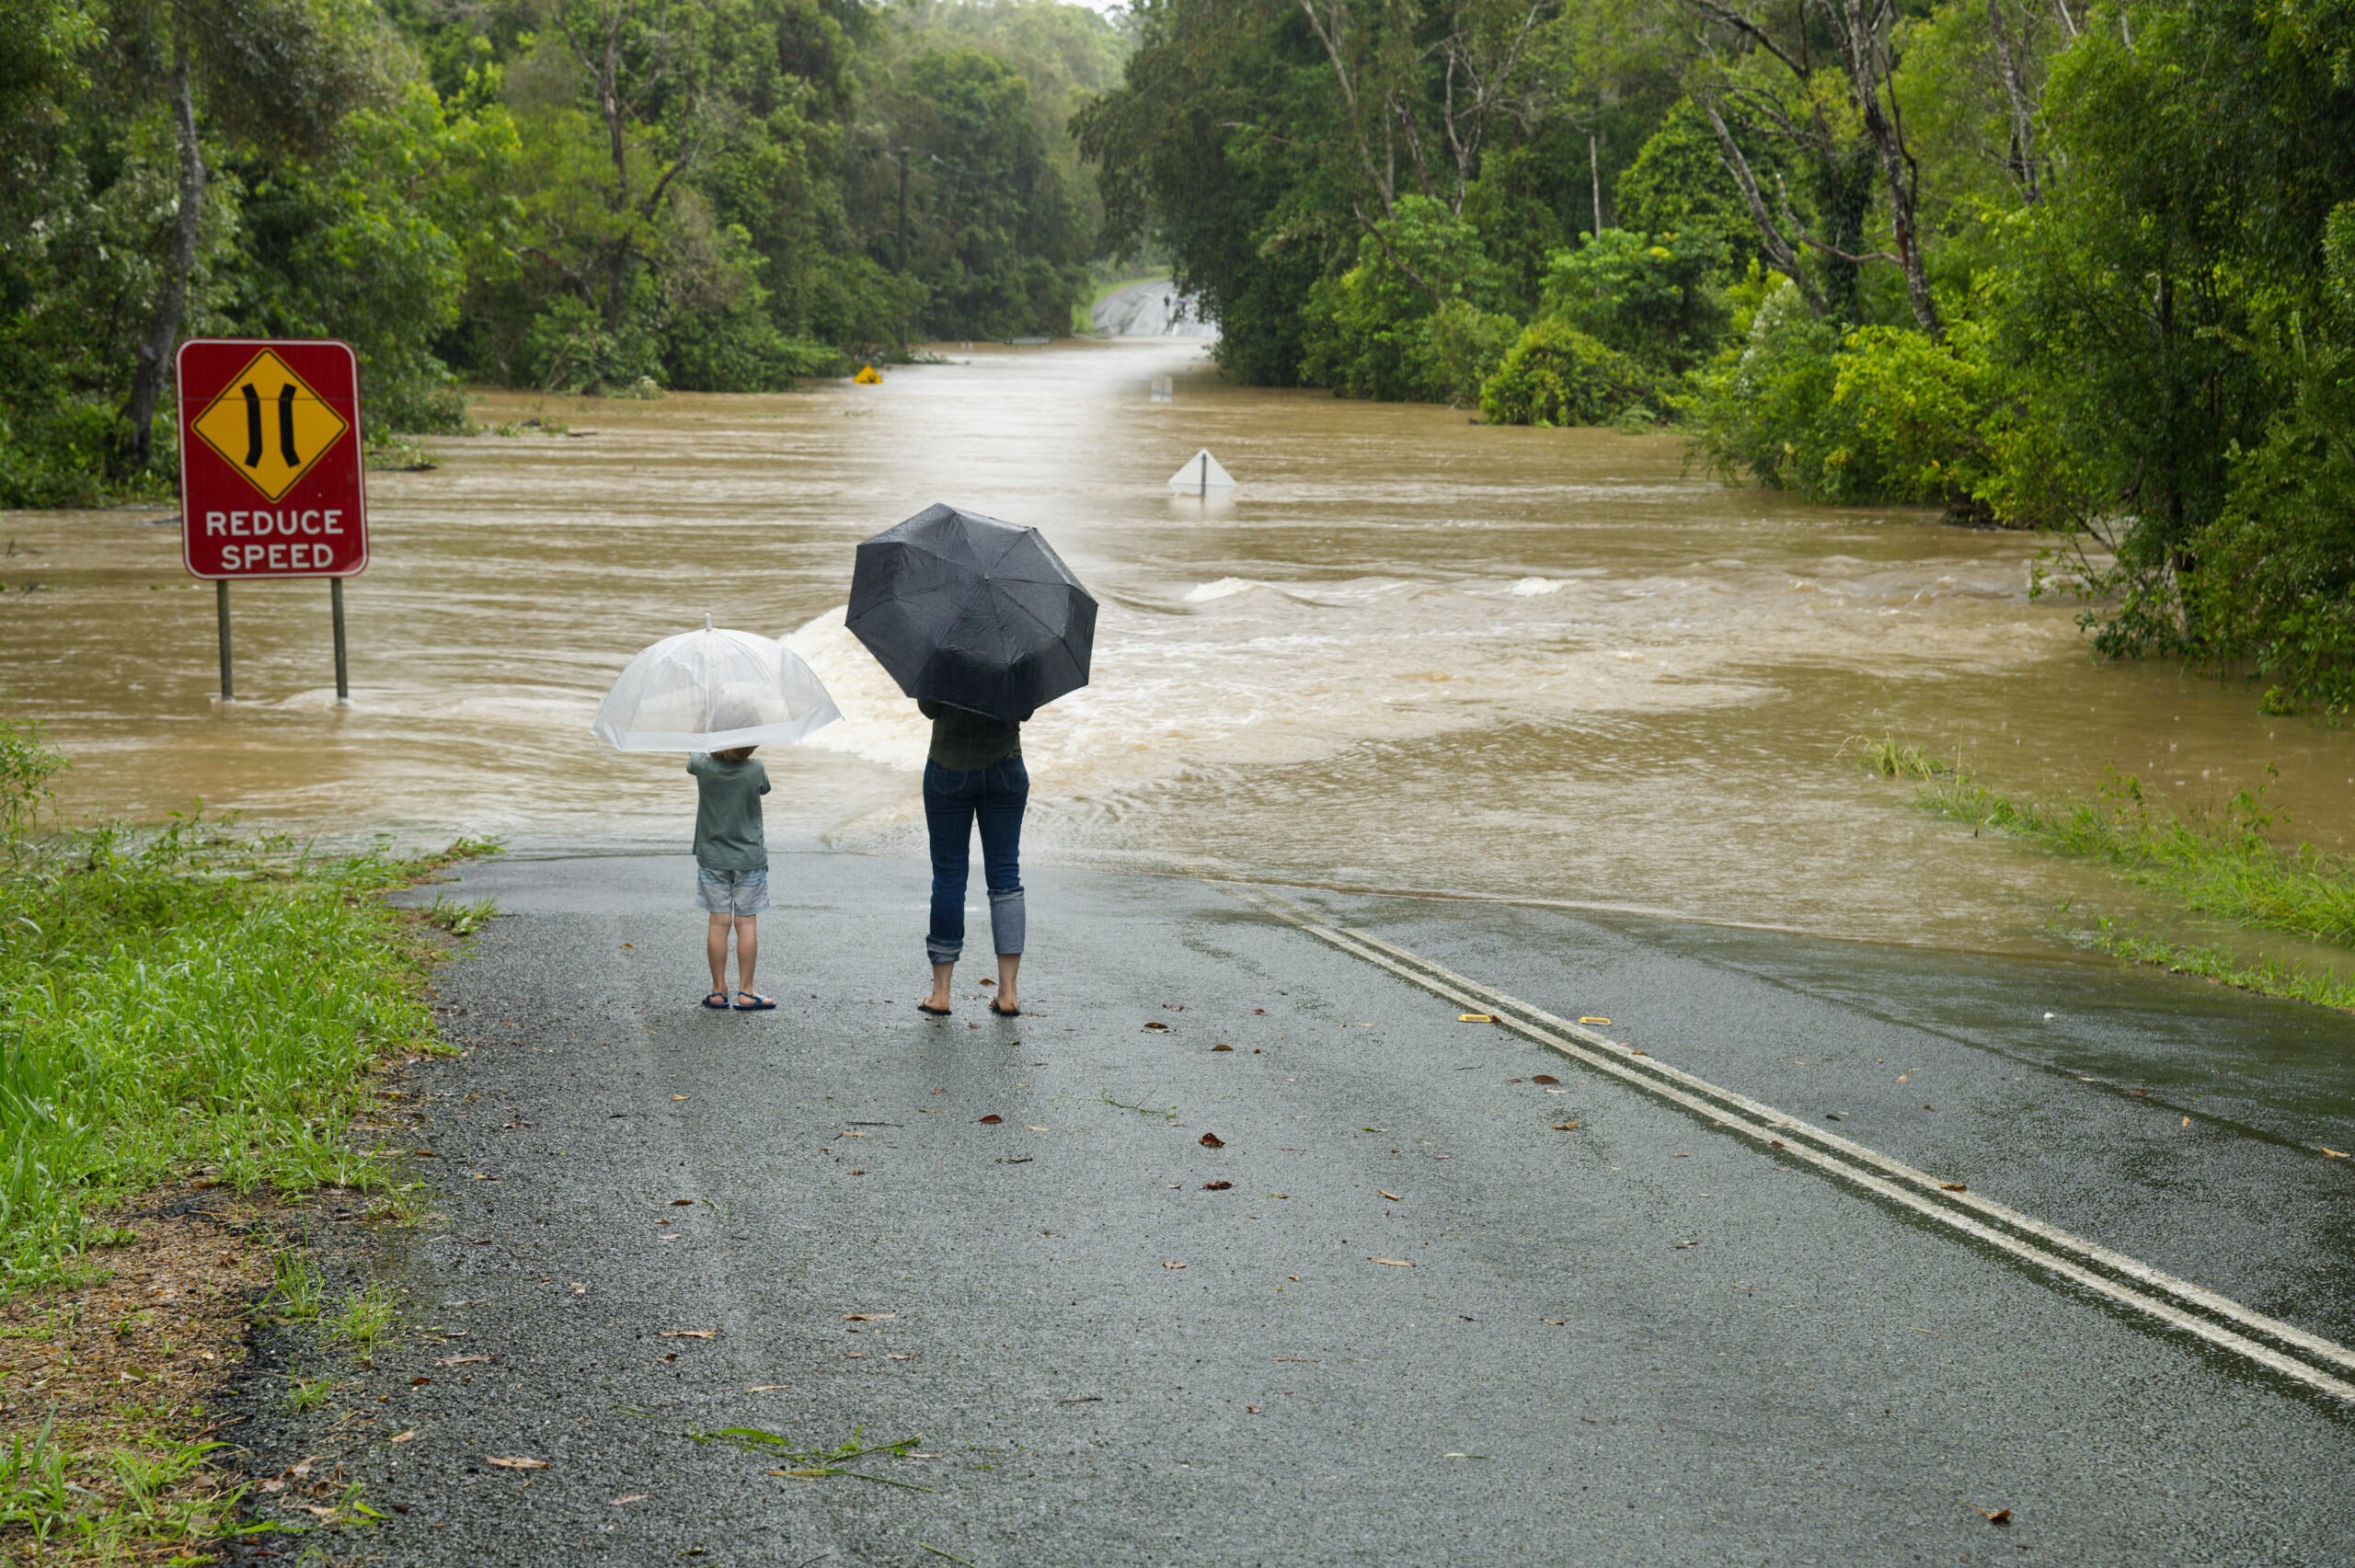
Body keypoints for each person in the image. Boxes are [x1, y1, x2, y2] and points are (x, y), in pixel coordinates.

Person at [916, 698, 1030, 1017]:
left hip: (948, 767)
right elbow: (1024, 708)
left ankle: (940, 994)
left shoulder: (943, 650)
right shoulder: (1015, 649)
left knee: (949, 875)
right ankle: (1008, 993)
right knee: (1006, 875)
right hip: (1005, 768)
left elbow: (930, 708)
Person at [689, 745, 775, 1011]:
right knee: (746, 923)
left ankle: (717, 991)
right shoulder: (755, 770)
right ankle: (746, 991)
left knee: (718, 922)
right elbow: (764, 789)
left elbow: (692, 759)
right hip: (748, 858)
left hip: (713, 857)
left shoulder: (701, 766)